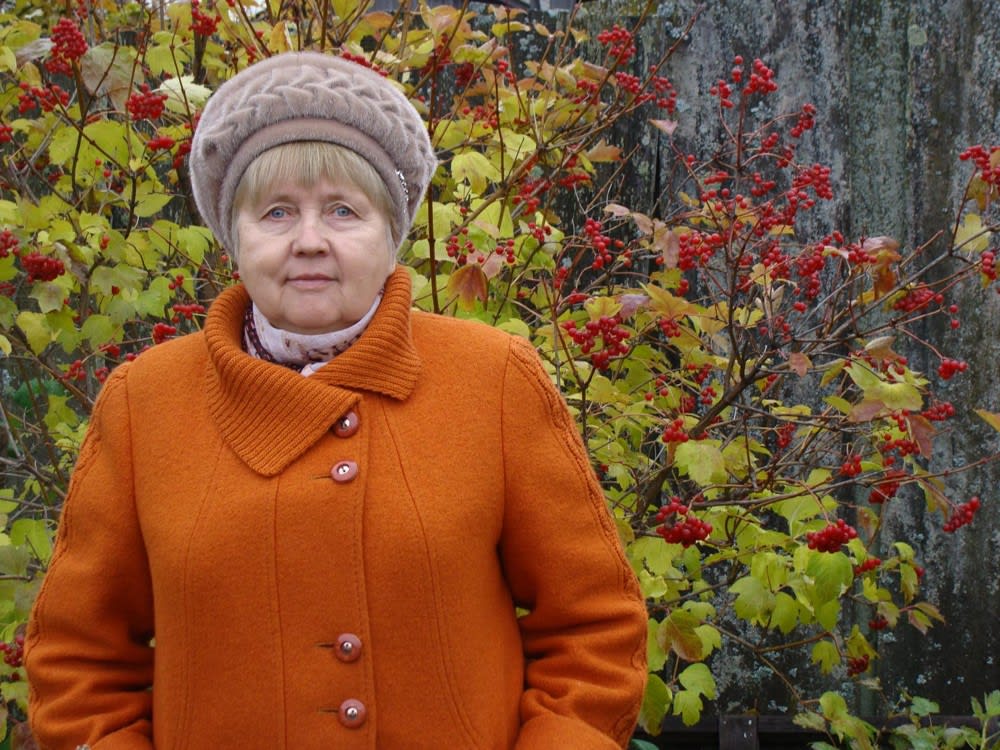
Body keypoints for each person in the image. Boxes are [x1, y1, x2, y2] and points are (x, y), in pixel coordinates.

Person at [25, 51, 648, 749]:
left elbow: (594, 628)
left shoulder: (495, 379)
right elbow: (78, 663)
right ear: (234, 236)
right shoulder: (146, 403)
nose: (309, 241)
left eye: (344, 211)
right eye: (276, 212)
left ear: (391, 235)